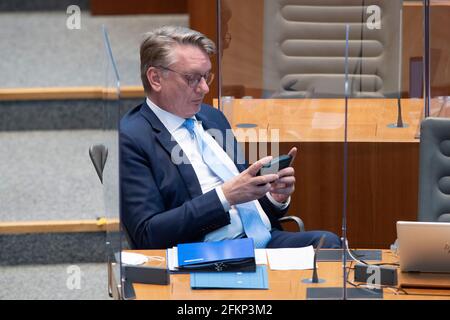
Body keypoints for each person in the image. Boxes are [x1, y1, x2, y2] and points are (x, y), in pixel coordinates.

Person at [120, 26, 341, 250]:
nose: (205, 88)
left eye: (206, 76)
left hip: (261, 241)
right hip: (207, 254)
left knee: (327, 245)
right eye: (192, 79)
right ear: (156, 78)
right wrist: (225, 196)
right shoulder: (132, 138)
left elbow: (247, 206)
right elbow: (147, 234)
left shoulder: (212, 117)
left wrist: (273, 196)